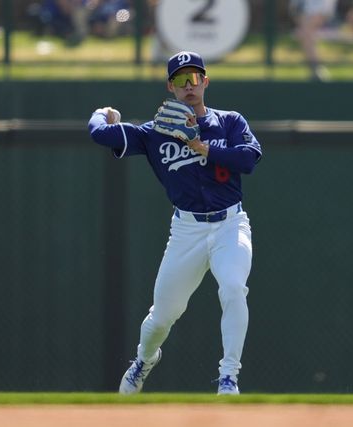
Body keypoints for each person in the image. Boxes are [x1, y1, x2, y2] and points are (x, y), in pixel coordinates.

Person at [88, 51, 262, 395]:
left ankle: (229, 377)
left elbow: (250, 158)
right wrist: (101, 113)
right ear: (170, 87)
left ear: (205, 81)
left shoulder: (229, 122)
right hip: (187, 230)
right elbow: (99, 134)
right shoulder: (155, 133)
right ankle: (144, 360)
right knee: (162, 317)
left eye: (194, 78)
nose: (188, 86)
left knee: (232, 288)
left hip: (230, 224)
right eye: (180, 80)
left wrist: (202, 147)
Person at [289, 0, 338, 81]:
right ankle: (315, 71)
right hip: (302, 5)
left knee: (306, 33)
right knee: (305, 35)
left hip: (320, 5)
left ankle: (316, 70)